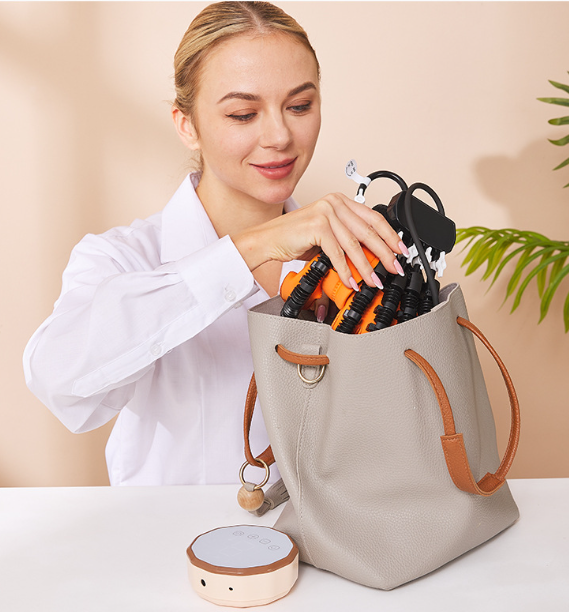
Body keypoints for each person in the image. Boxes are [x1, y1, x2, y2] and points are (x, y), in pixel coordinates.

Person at [23, 1, 406, 486]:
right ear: (187, 125)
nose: (279, 136)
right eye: (243, 114)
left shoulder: (353, 253)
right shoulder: (122, 258)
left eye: (299, 106)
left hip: (332, 529)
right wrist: (252, 248)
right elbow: (58, 381)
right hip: (176, 533)